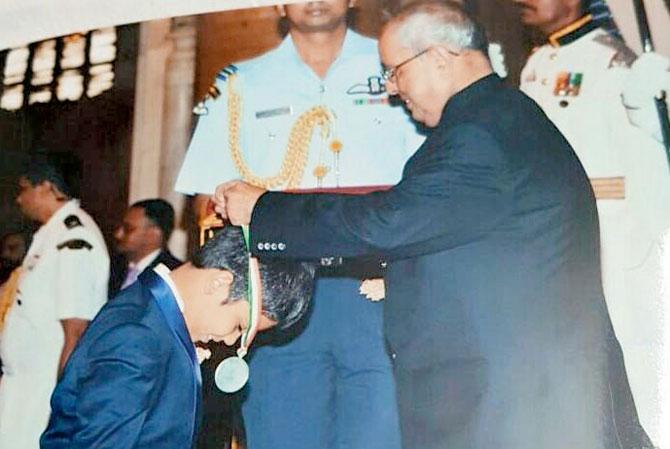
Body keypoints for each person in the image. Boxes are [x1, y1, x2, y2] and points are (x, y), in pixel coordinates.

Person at [214, 2, 652, 448]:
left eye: (394, 71)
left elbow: (389, 220)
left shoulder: (479, 135)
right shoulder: (498, 117)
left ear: (440, 58)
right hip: (516, 396)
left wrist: (265, 210)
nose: (390, 88)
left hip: (520, 407)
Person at [175, 1, 423, 448]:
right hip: (280, 298)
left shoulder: (402, 66)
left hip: (377, 287)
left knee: (382, 435)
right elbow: (205, 200)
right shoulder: (240, 83)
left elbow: (432, 183)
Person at [513, 0, 670, 439]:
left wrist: (649, 104)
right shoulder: (538, 63)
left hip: (620, 243)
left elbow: (654, 147)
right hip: (560, 244)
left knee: (642, 366)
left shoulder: (617, 59)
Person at [40, 226, 316, 449]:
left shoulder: (152, 318)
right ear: (219, 283)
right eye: (239, 326)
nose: (231, 341)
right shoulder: (138, 339)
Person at [0, 155, 110, 449]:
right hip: (23, 386)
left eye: (24, 189)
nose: (19, 199)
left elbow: (75, 331)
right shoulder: (50, 235)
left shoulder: (75, 239)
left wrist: (63, 407)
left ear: (47, 187)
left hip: (43, 391)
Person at [109, 198, 182, 297]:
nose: (118, 234)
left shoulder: (174, 274)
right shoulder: (112, 265)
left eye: (128, 229)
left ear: (154, 234)